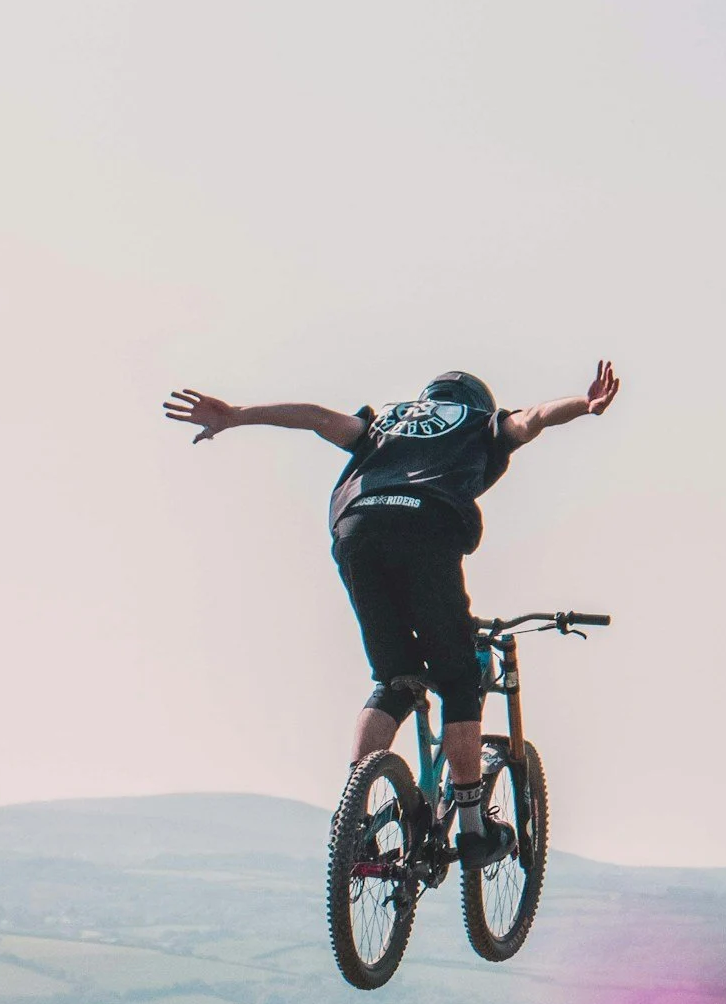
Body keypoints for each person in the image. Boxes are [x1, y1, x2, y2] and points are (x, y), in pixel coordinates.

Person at [163, 362, 620, 862]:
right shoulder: (480, 423)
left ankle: (354, 816)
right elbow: (532, 418)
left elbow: (317, 417)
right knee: (459, 681)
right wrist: (584, 405)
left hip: (357, 530)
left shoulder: (385, 422)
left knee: (395, 679)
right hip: (426, 529)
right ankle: (471, 830)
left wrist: (235, 415)